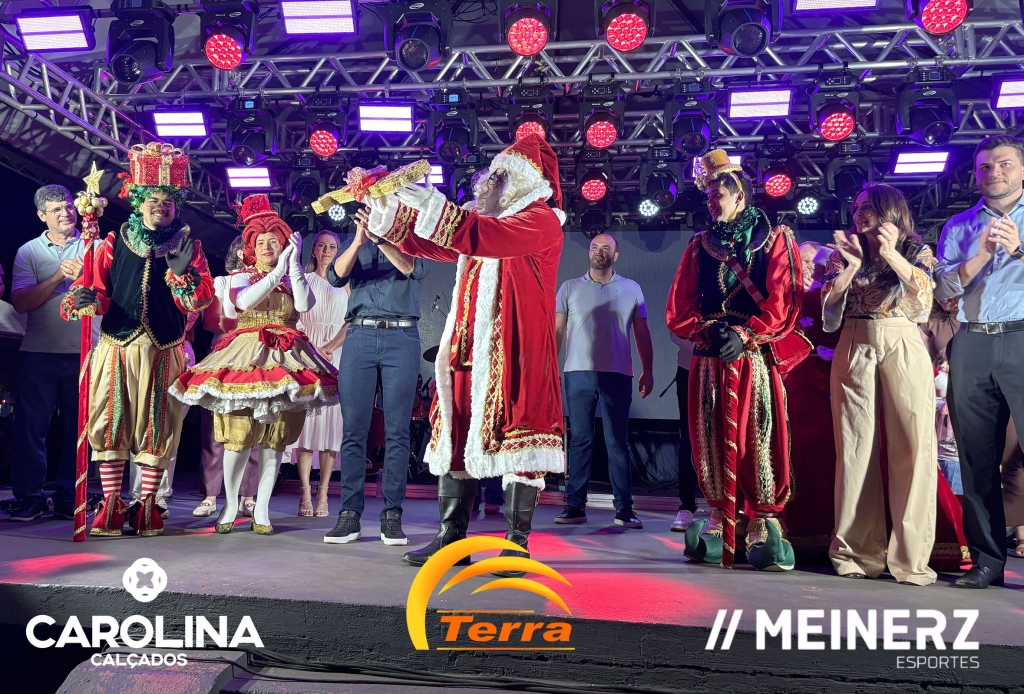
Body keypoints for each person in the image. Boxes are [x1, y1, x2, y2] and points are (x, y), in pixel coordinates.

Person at [366, 133, 566, 571]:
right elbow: (436, 241)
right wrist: (388, 211)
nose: (484, 185)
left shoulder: (541, 219)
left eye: (496, 178)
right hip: (468, 348)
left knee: (520, 438)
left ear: (517, 182)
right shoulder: (483, 223)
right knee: (454, 434)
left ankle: (516, 545)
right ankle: (451, 537)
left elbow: (479, 235)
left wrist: (432, 203)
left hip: (516, 352)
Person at [60, 144, 214, 538]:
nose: (161, 207)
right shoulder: (114, 241)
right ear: (140, 202)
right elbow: (95, 293)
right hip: (118, 345)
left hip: (164, 349)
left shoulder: (189, 247)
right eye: (154, 200)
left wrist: (184, 276)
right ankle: (112, 504)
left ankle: (146, 505)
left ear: (176, 207)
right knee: (111, 421)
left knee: (156, 425)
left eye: (168, 202)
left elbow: (198, 302)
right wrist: (86, 299)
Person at [666, 149, 803, 571]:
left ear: (739, 193)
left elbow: (783, 301)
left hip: (752, 356)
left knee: (757, 432)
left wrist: (744, 334)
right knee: (708, 435)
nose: (711, 202)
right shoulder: (699, 245)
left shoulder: (774, 238)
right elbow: (679, 306)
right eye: (708, 195)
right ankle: (719, 518)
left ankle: (762, 520)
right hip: (709, 356)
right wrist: (707, 330)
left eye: (718, 194)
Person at [170, 194, 338, 535]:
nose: (267, 247)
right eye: (261, 242)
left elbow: (304, 305)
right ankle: (231, 503)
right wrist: (276, 272)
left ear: (283, 245)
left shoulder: (293, 277)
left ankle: (261, 507)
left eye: (274, 242)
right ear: (251, 247)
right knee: (238, 436)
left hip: (287, 356)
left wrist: (293, 265)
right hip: (246, 354)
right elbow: (245, 302)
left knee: (275, 440)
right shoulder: (239, 277)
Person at [822, 184, 938, 586]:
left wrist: (890, 253)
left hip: (902, 338)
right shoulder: (845, 253)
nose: (859, 213)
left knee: (914, 447)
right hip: (854, 340)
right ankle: (855, 554)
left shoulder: (915, 250)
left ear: (891, 210)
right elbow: (829, 314)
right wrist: (850, 268)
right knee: (854, 449)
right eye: (856, 206)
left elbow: (922, 303)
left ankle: (910, 560)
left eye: (868, 206)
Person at [935, 134, 1024, 589]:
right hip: (972, 340)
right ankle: (988, 560)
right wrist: (983, 254)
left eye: (1004, 164)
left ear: (1022, 170)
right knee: (975, 457)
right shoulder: (959, 225)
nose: (995, 173)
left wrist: (1019, 250)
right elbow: (943, 289)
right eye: (986, 166)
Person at [321, 196, 429, 548]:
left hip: (402, 336)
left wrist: (382, 238)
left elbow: (412, 269)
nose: (373, 213)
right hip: (360, 335)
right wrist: (359, 240)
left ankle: (392, 515)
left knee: (398, 431)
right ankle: (349, 515)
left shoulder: (412, 237)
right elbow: (335, 276)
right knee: (354, 430)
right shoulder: (355, 241)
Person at [554, 233, 653, 528]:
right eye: (595, 247)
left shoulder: (632, 288)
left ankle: (624, 509)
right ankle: (575, 506)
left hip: (618, 373)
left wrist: (648, 369)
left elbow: (642, 332)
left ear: (616, 255)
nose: (599, 251)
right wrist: (548, 368)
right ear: (589, 253)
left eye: (606, 248)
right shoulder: (569, 287)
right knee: (580, 440)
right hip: (578, 373)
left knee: (617, 442)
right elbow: (557, 331)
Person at [8, 185, 89, 521]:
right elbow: (21, 302)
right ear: (42, 215)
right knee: (31, 428)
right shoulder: (29, 251)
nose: (65, 213)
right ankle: (30, 497)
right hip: (39, 352)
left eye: (68, 206)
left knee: (80, 429)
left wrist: (86, 276)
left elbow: (111, 292)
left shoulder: (94, 244)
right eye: (56, 210)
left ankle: (71, 495)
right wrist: (58, 275)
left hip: (86, 353)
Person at [192, 236, 259, 519]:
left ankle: (248, 496)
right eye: (253, 246)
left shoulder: (270, 282)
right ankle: (210, 495)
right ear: (240, 252)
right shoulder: (223, 281)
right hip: (224, 356)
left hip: (256, 359)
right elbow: (212, 322)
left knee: (254, 427)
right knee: (215, 429)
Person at [291, 230, 349, 517]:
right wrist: (315, 348)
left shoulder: (345, 283)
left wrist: (331, 347)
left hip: (336, 356)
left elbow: (352, 320)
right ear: (313, 249)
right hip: (307, 355)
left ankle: (324, 493)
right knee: (307, 428)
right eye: (322, 246)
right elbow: (294, 322)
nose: (327, 250)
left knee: (331, 428)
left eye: (332, 246)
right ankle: (304, 492)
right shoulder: (302, 280)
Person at [127, 310, 198, 518]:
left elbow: (189, 314)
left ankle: (158, 494)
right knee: (139, 424)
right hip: (139, 348)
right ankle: (139, 493)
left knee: (167, 426)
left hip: (176, 350)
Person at [670, 332, 698, 532]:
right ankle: (686, 507)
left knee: (725, 437)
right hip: (689, 369)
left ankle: (725, 509)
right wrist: (703, 347)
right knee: (688, 439)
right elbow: (675, 329)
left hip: (725, 367)